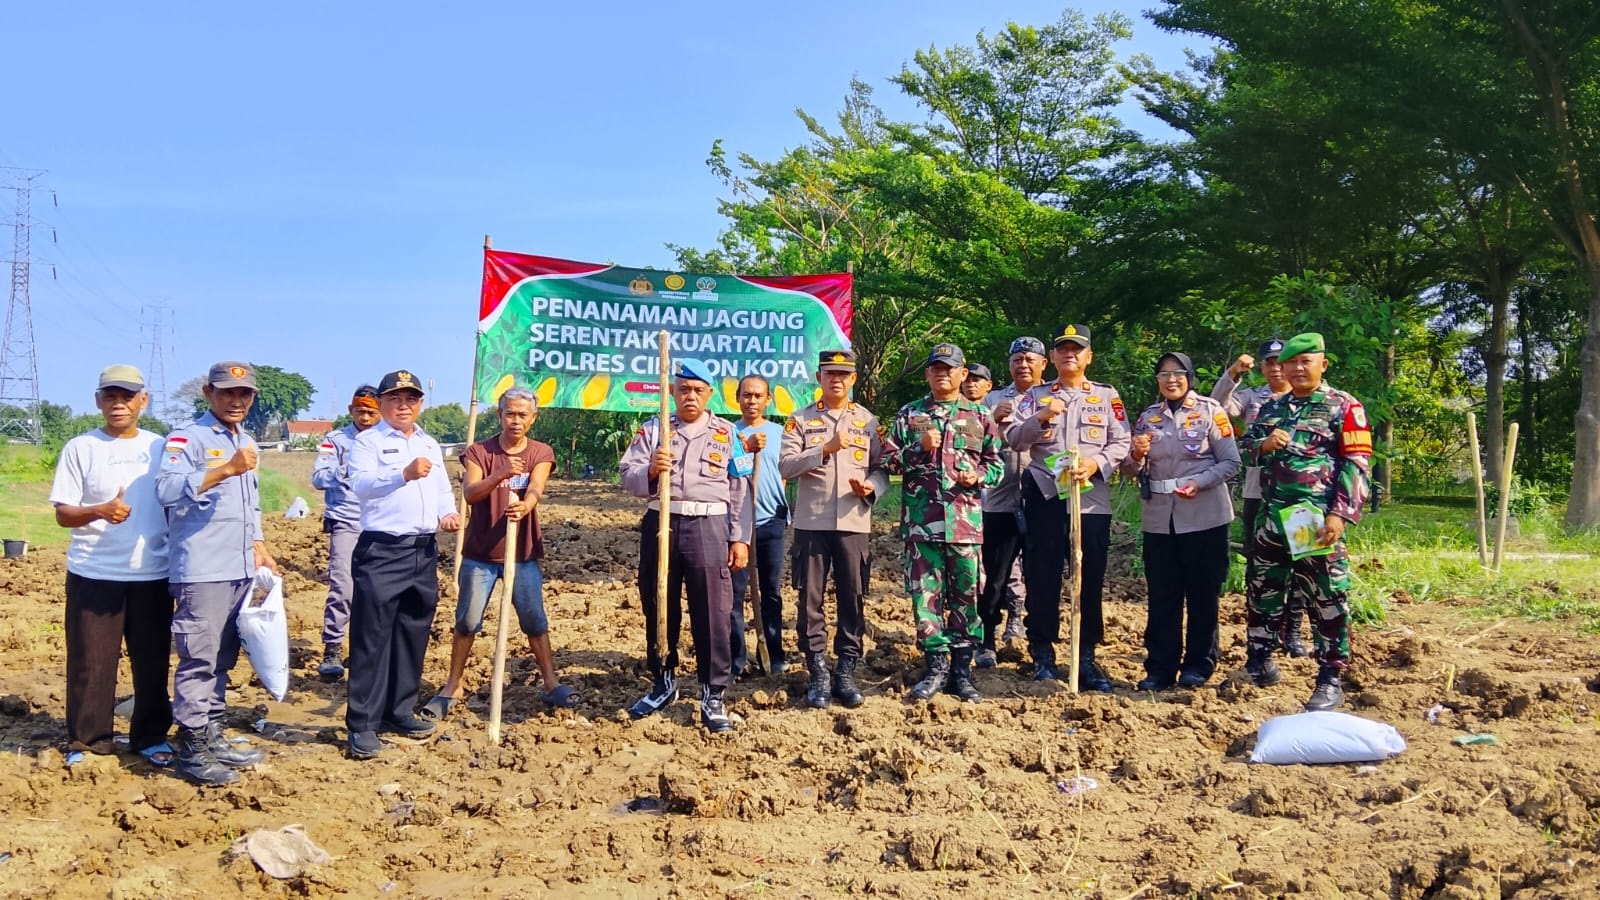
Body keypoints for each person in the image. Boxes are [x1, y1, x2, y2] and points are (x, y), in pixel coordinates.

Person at [156, 361, 278, 786]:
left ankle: (212, 735)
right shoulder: (187, 438)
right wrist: (225, 468)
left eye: (245, 394)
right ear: (208, 393)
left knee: (222, 660)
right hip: (202, 570)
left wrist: (259, 546)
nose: (237, 401)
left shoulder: (246, 441)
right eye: (227, 392)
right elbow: (165, 489)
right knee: (199, 660)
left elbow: (250, 506)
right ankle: (191, 749)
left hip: (239, 567)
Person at [422, 388, 576, 721]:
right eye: (510, 413)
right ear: (500, 415)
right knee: (467, 620)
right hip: (480, 554)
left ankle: (550, 683)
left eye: (523, 415)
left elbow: (537, 486)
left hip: (522, 552)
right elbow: (471, 493)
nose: (516, 420)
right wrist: (500, 475)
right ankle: (453, 685)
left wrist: (527, 504)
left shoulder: (541, 452)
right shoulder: (479, 451)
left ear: (533, 418)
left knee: (535, 620)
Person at [49, 364, 173, 768]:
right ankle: (88, 742)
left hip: (152, 573)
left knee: (152, 660)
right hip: (95, 572)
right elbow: (63, 515)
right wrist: (99, 511)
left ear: (143, 400)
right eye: (110, 396)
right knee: (91, 662)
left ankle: (151, 736)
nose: (118, 404)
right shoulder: (80, 448)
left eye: (127, 396)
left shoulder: (161, 448)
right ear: (98, 400)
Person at [1240, 333, 1372, 711]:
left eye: (1306, 362)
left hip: (1312, 519)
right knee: (1263, 591)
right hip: (1271, 517)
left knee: (1325, 596)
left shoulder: (1342, 406)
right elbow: (1247, 447)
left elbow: (1357, 463)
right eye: (1291, 363)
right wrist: (1264, 445)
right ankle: (1260, 661)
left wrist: (1340, 513)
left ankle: (1330, 677)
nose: (1297, 369)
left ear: (1322, 365)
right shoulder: (1273, 408)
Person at [618, 359, 752, 732]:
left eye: (698, 390)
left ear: (709, 394)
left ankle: (713, 691)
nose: (690, 396)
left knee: (713, 610)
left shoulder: (728, 434)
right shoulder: (654, 430)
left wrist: (739, 538)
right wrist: (650, 471)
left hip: (710, 525)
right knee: (658, 603)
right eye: (683, 389)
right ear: (673, 392)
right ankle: (663, 680)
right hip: (661, 522)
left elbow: (741, 490)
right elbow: (626, 476)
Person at [344, 369, 462, 759]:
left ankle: (398, 711)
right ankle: (362, 722)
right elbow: (360, 485)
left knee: (412, 635)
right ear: (380, 403)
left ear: (420, 403)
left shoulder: (428, 443)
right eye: (395, 398)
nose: (404, 405)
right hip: (382, 550)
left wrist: (448, 513)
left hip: (422, 551)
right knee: (371, 638)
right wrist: (402, 474)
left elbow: (443, 487)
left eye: (410, 398)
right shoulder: (368, 442)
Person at [1005, 324, 1131, 690]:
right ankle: (1042, 653)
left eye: (1077, 350)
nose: (1069, 355)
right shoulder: (1036, 396)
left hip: (1090, 502)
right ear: (1054, 358)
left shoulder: (1107, 397)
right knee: (1041, 576)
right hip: (1045, 495)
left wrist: (1097, 463)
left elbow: (1121, 441)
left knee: (1088, 579)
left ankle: (1085, 656)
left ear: (1089, 356)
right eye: (1063, 350)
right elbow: (1013, 438)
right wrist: (1041, 417)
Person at [882, 343, 1003, 702]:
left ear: (963, 374)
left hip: (965, 526)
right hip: (923, 526)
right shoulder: (910, 414)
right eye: (936, 368)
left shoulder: (980, 417)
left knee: (966, 598)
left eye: (950, 368)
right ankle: (935, 667)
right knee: (926, 598)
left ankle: (962, 671)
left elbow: (997, 466)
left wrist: (976, 477)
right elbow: (887, 462)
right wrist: (917, 446)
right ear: (927, 374)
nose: (942, 373)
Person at [1122, 353, 1240, 691]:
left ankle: (1198, 666)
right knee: (1163, 596)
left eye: (1177, 373)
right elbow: (1130, 470)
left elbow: (1231, 462)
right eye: (1163, 374)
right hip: (1159, 519)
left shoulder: (1210, 411)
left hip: (1204, 516)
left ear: (1188, 377)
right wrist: (1137, 454)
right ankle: (1160, 667)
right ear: (1157, 380)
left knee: (1203, 595)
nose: (1170, 380)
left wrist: (1200, 482)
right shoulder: (1147, 418)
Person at [778, 350, 888, 708]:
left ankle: (846, 668)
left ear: (853, 379)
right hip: (812, 522)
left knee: (852, 596)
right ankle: (818, 671)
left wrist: (873, 487)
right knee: (810, 599)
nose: (837, 380)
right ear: (819, 377)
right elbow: (785, 465)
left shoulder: (869, 422)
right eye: (830, 373)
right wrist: (824, 450)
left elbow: (882, 468)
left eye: (844, 374)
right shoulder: (799, 420)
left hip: (854, 522)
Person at [1212, 338, 1309, 655]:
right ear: (1264, 367)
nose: (1276, 367)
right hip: (1260, 492)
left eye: (1282, 360)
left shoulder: (1310, 399)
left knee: (1302, 562)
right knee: (1262, 565)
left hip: (1300, 497)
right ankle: (1264, 634)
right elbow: (1217, 406)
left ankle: (1292, 631)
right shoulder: (1253, 398)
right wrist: (1233, 374)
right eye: (1269, 362)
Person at [977, 337, 1047, 667]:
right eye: (1017, 358)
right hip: (999, 499)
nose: (1023, 364)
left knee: (1040, 575)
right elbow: (963, 437)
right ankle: (986, 637)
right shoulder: (992, 399)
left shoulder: (1055, 397)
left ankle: (1036, 640)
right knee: (994, 574)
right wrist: (990, 417)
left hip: (1042, 499)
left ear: (1043, 364)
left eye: (1030, 359)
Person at [310, 385, 381, 681]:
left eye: (371, 412)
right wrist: (345, 470)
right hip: (346, 522)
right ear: (351, 411)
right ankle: (332, 648)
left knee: (375, 592)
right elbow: (318, 477)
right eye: (360, 411)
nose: (365, 418)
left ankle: (364, 651)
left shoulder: (387, 439)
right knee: (343, 588)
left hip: (380, 524)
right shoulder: (336, 441)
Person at [730, 374, 790, 678]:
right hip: (738, 526)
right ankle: (735, 660)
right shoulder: (728, 434)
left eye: (758, 396)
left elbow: (787, 471)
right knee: (734, 594)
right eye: (747, 395)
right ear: (737, 398)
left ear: (768, 400)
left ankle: (773, 652)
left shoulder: (781, 434)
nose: (752, 401)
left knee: (770, 591)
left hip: (771, 522)